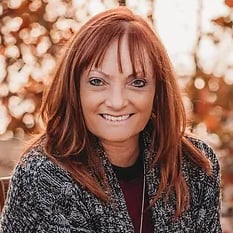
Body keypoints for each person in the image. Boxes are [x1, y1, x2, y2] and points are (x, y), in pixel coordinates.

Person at [0, 7, 222, 233]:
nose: (117, 102)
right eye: (97, 82)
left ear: (158, 92)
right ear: (74, 89)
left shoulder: (195, 166)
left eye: (137, 83)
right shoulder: (43, 177)